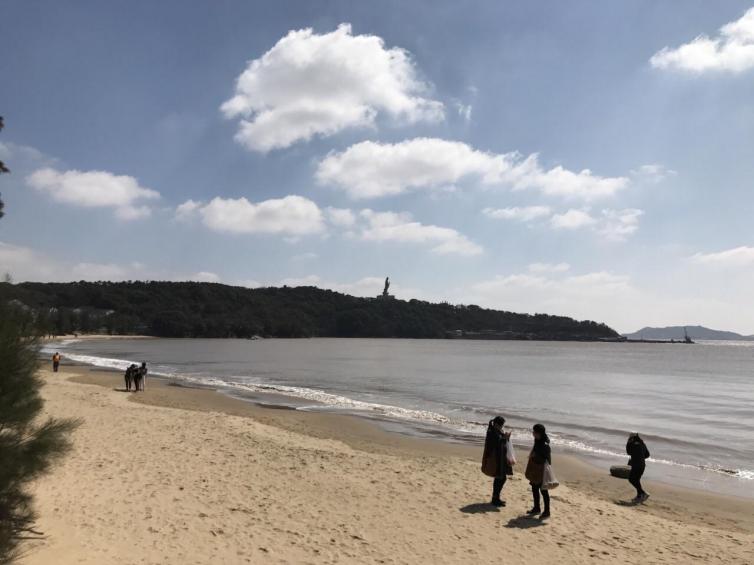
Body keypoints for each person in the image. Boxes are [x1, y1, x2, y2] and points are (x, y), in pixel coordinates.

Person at [481, 416, 512, 506]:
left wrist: (505, 437)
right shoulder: (491, 432)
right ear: (496, 424)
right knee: (500, 478)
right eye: (500, 425)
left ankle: (496, 498)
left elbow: (500, 440)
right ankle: (495, 498)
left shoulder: (496, 430)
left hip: (500, 458)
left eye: (502, 426)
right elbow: (495, 444)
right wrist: (504, 438)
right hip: (495, 459)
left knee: (500, 478)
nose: (501, 427)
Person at [524, 423, 552, 519]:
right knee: (534, 489)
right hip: (535, 469)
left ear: (539, 433)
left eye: (534, 432)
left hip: (542, 471)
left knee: (544, 491)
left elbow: (548, 461)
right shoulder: (537, 440)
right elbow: (535, 451)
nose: (533, 433)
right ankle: (536, 508)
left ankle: (547, 511)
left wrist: (535, 456)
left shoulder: (545, 445)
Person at [627, 432, 650, 503]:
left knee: (631, 479)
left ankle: (643, 493)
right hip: (642, 465)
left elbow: (628, 452)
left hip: (636, 465)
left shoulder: (631, 444)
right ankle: (639, 496)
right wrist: (640, 457)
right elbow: (647, 455)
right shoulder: (642, 443)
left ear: (631, 437)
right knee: (636, 480)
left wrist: (628, 442)